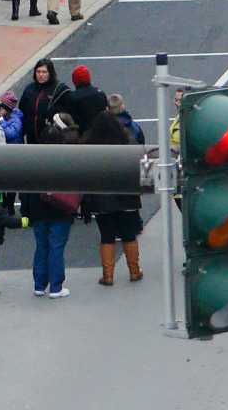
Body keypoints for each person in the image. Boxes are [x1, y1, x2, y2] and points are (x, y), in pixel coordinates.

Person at [84, 109, 147, 286]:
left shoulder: (89, 146)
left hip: (102, 199)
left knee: (107, 236)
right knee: (129, 235)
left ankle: (108, 275)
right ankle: (134, 271)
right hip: (127, 196)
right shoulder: (128, 142)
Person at [27, 112, 81, 298]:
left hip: (38, 208)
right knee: (56, 247)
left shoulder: (33, 159)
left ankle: (39, 285)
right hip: (60, 208)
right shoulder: (66, 158)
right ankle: (56, 287)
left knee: (41, 246)